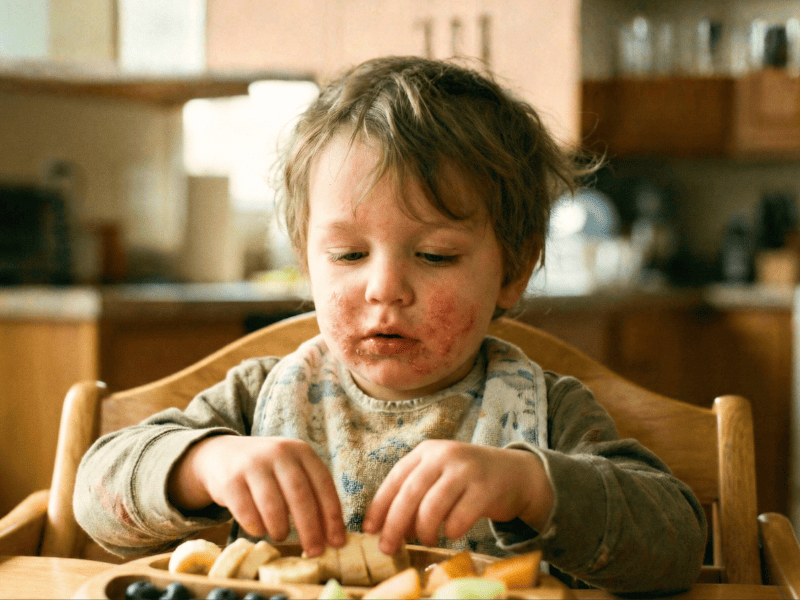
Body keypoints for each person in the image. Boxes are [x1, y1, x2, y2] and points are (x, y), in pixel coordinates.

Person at [74, 56, 706, 594]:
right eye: (348, 254)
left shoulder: (546, 412)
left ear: (513, 271)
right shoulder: (261, 397)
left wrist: (531, 485)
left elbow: (677, 544)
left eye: (435, 255)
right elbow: (95, 499)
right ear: (306, 264)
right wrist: (202, 464)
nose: (384, 288)